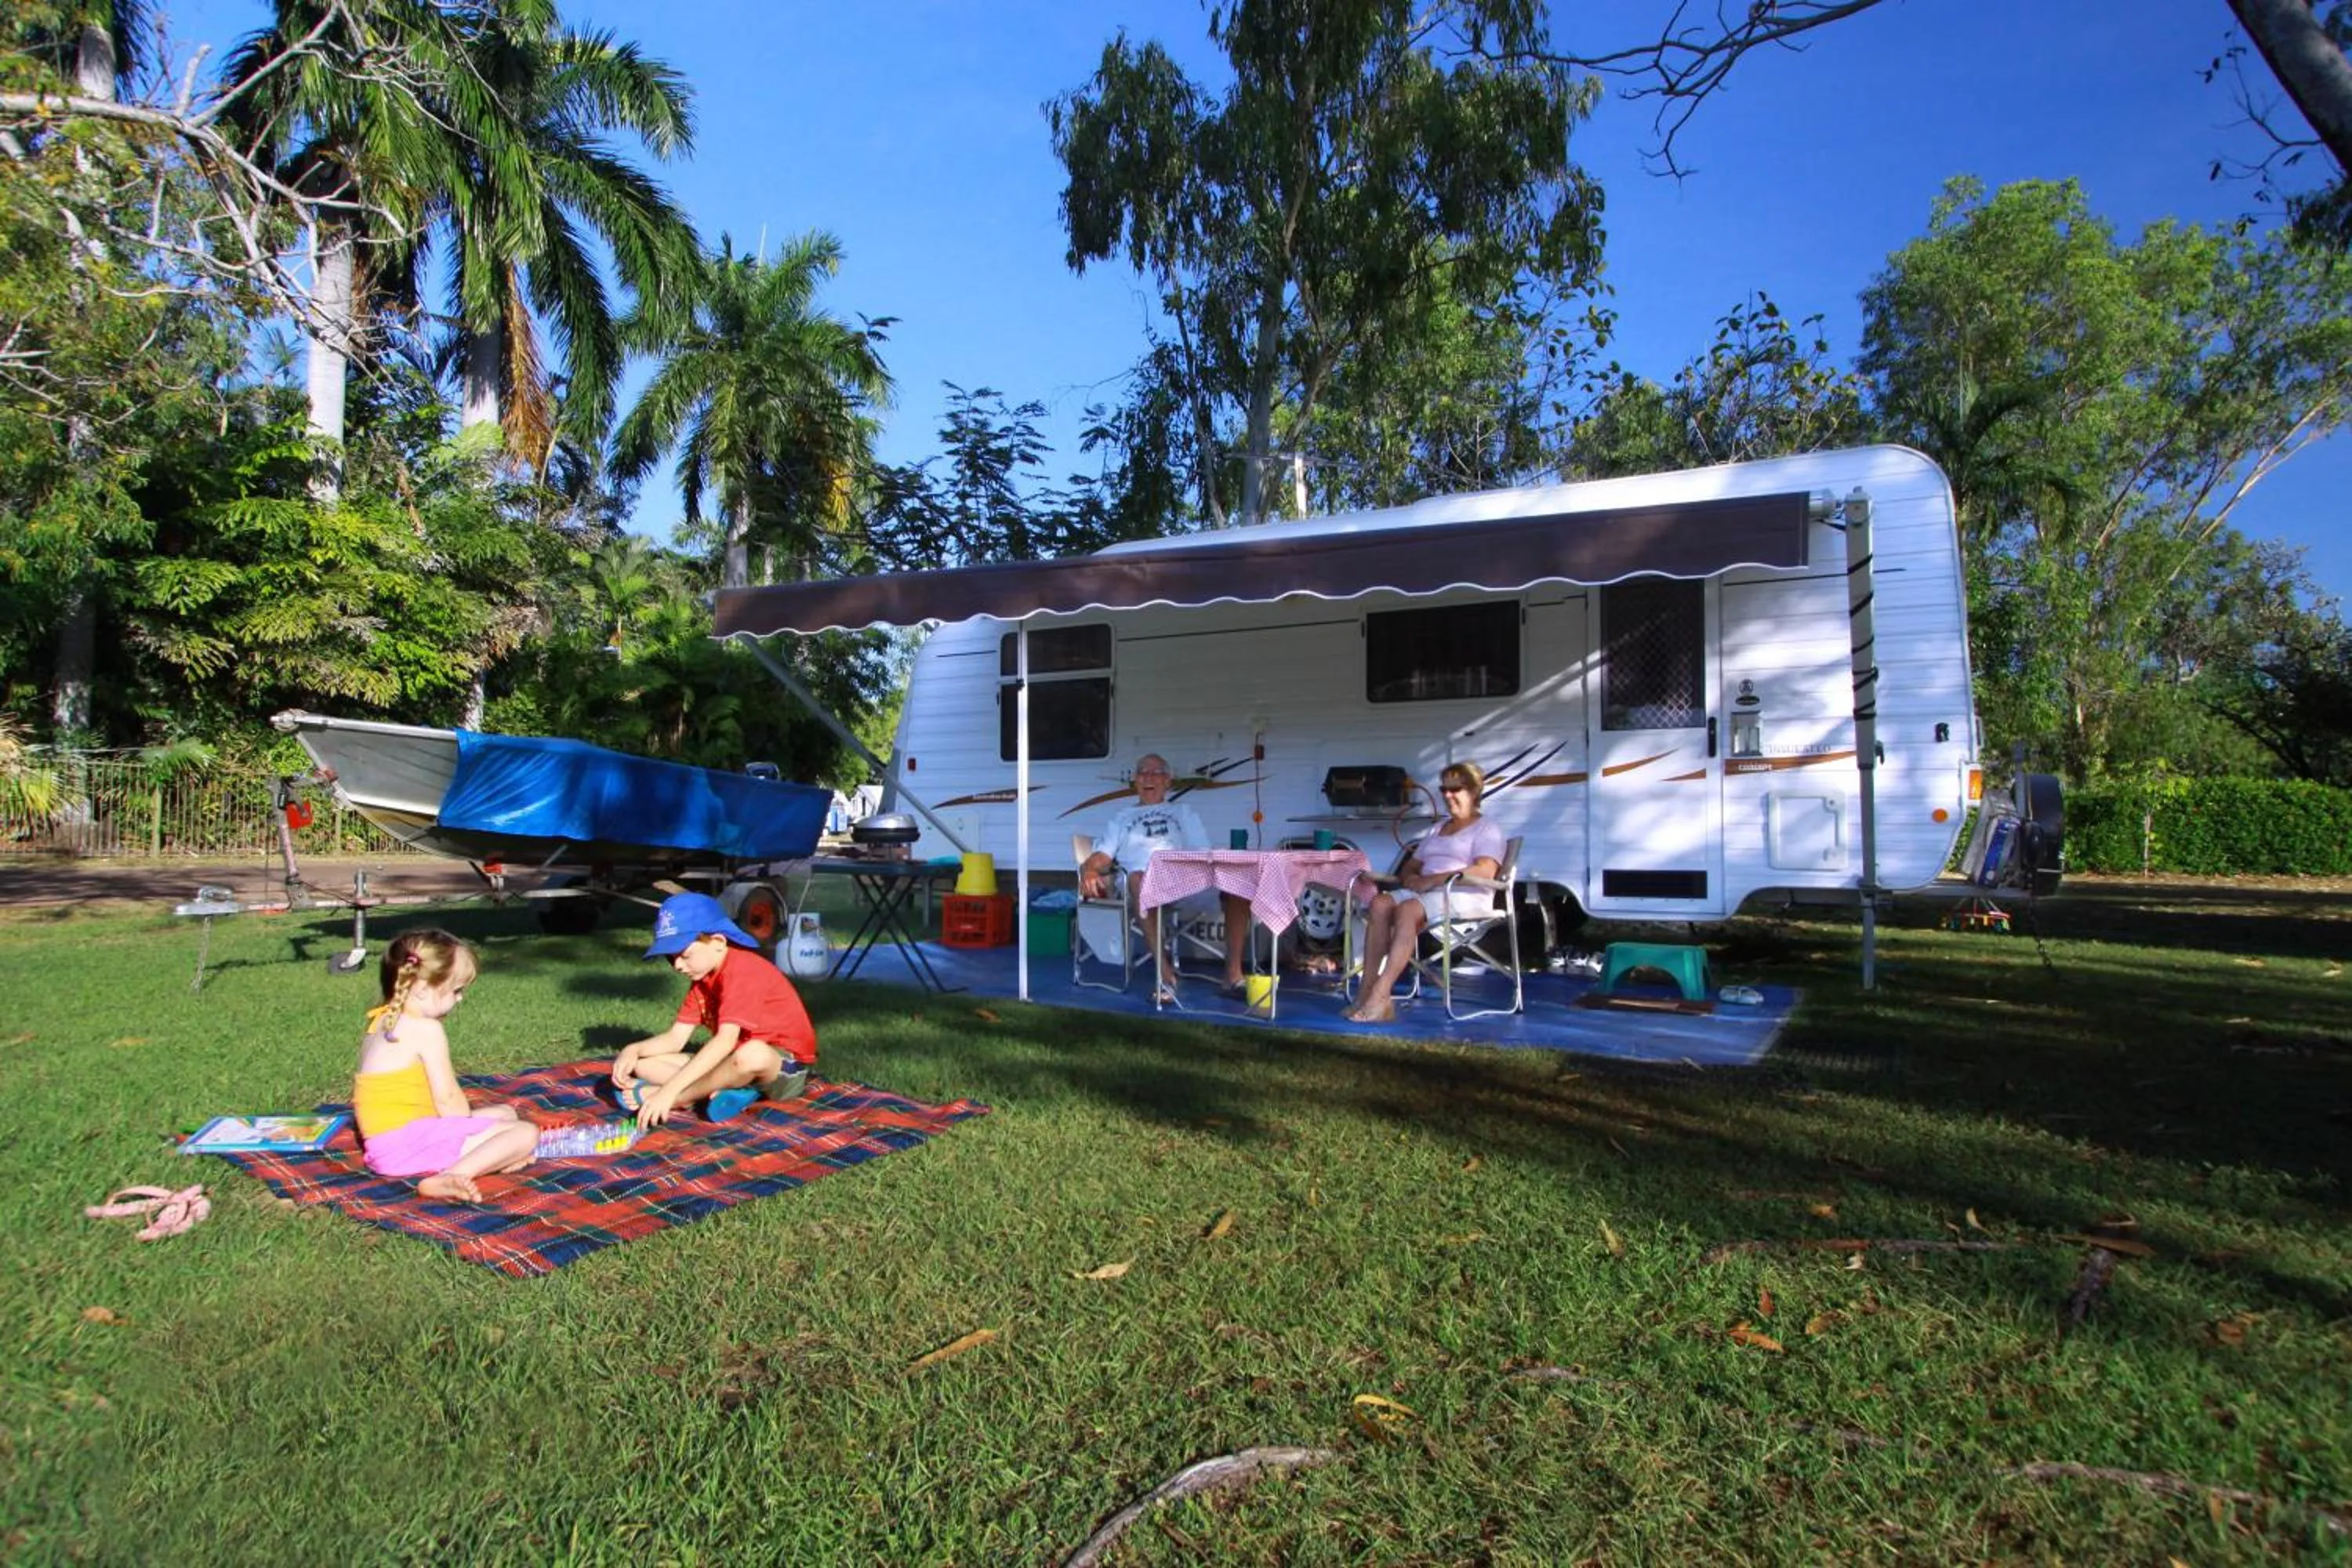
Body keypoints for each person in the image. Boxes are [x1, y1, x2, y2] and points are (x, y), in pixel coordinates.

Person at [351, 928, 538, 1203]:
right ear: (424, 990)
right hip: (405, 1147)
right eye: (456, 990)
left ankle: (493, 1156)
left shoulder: (381, 1020)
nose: (460, 998)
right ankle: (452, 1176)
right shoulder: (426, 1030)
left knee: (506, 1113)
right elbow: (449, 1099)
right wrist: (473, 1134)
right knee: (525, 1133)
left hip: (389, 1141)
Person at [613, 891, 817, 1128]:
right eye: (671, 958)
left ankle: (681, 1098)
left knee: (751, 1054)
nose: (678, 965)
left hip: (782, 1067)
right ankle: (722, 1091)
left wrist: (669, 1093)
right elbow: (675, 1038)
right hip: (732, 1062)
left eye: (685, 955)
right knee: (643, 1064)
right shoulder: (702, 981)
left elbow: (725, 1042)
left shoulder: (743, 971)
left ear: (719, 942)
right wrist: (634, 1049)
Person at [1076, 752, 1253, 1002]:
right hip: (1141, 884)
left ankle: (1233, 977)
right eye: (1142, 772)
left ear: (1168, 781)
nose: (1148, 777)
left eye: (1156, 772)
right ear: (1135, 781)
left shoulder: (1184, 812)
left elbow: (1201, 853)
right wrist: (1090, 869)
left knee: (1238, 886)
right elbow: (1102, 857)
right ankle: (1166, 977)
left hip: (1184, 880)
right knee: (1139, 878)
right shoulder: (1122, 818)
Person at [1344, 760, 1508, 1024]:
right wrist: (1410, 878)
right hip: (1428, 895)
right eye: (1444, 789)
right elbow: (1411, 867)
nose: (1448, 795)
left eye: (1456, 789)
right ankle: (1367, 988)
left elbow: (1485, 871)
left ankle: (1380, 994)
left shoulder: (1487, 828)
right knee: (1380, 903)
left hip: (1464, 894)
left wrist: (1433, 880)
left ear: (1475, 792)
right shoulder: (1437, 829)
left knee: (1408, 910)